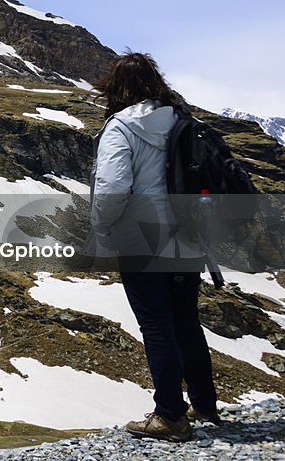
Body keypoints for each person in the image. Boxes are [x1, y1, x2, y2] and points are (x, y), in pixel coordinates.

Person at [90, 51, 220, 443]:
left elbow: (112, 188)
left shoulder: (122, 127)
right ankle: (204, 404)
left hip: (142, 239)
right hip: (188, 234)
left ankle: (170, 417)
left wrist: (101, 226)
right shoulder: (184, 121)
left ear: (116, 87)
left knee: (156, 324)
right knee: (184, 319)